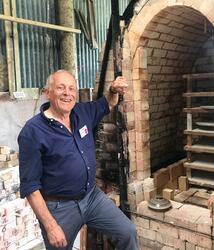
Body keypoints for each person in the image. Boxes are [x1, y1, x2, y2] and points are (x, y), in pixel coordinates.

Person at [18, 70, 138, 250]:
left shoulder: (82, 112)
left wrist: (113, 89)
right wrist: (50, 226)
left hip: (91, 197)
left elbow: (108, 103)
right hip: (59, 208)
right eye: (60, 88)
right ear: (47, 92)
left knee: (127, 232)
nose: (67, 93)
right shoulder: (32, 131)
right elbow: (30, 186)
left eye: (71, 88)